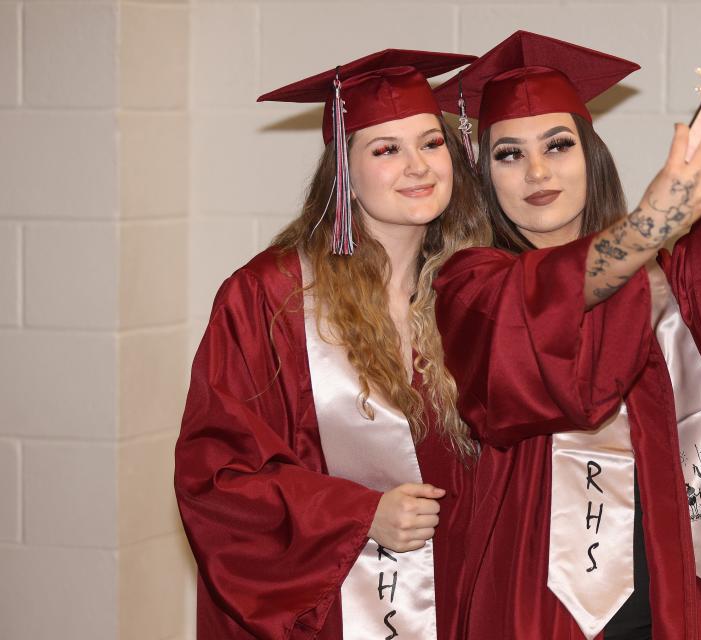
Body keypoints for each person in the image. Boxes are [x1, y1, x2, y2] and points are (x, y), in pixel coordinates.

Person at [433, 31, 701, 639]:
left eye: (558, 145)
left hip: (667, 578)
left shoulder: (655, 274)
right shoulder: (473, 286)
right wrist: (654, 221)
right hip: (540, 598)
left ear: (590, 156)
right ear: (485, 176)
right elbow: (547, 301)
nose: (538, 171)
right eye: (508, 154)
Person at [174, 49, 491, 639]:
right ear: (343, 170)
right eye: (386, 149)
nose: (418, 166)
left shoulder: (470, 288)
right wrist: (360, 514)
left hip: (463, 595)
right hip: (329, 613)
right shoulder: (271, 296)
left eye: (431, 142)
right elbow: (216, 477)